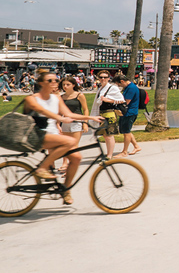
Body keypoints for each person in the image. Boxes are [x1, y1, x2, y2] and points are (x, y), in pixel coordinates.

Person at [23, 71, 102, 205]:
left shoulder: (56, 98)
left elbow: (69, 114)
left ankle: (65, 190)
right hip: (36, 135)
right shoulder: (32, 98)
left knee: (77, 158)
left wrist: (89, 118)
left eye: (55, 80)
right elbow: (41, 110)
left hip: (52, 134)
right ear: (41, 83)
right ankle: (42, 168)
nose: (54, 83)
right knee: (70, 141)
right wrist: (59, 118)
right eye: (50, 81)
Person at [90, 70, 125, 160]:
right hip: (101, 114)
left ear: (109, 78)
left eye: (105, 77)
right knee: (105, 135)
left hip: (109, 114)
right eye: (101, 77)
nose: (103, 79)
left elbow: (121, 100)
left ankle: (110, 155)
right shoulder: (100, 88)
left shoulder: (113, 88)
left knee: (109, 135)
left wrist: (107, 100)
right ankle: (108, 153)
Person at [59, 75, 89, 171]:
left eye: (68, 84)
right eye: (64, 84)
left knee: (74, 145)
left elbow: (85, 109)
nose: (65, 86)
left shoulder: (79, 95)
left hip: (77, 122)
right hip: (65, 122)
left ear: (73, 85)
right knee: (64, 145)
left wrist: (85, 122)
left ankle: (71, 164)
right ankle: (64, 163)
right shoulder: (62, 97)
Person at [112, 74, 142, 157]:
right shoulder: (129, 87)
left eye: (119, 84)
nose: (119, 86)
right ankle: (136, 146)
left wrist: (112, 102)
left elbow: (125, 102)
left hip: (129, 112)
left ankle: (124, 152)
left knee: (126, 132)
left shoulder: (131, 88)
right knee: (126, 131)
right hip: (126, 113)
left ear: (122, 81)